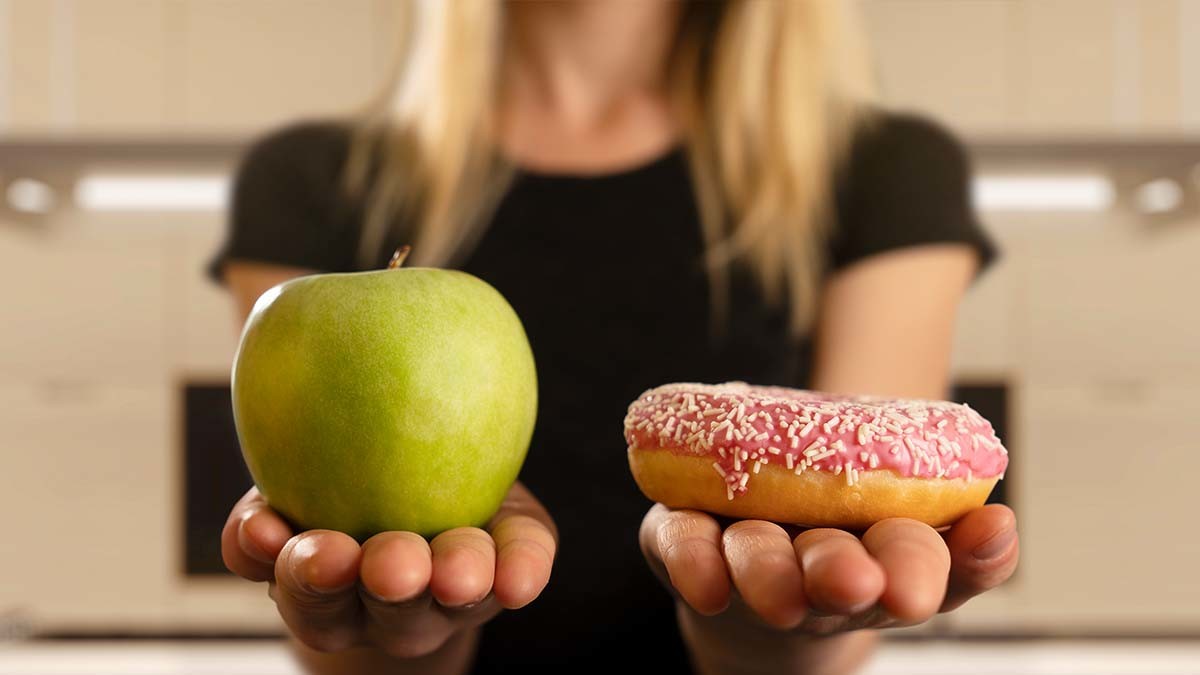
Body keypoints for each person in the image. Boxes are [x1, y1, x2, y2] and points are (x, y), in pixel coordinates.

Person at [211, 2, 1020, 673]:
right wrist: (406, 634)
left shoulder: (885, 170)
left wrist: (761, 625)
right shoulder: (309, 182)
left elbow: (863, 528)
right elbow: (334, 602)